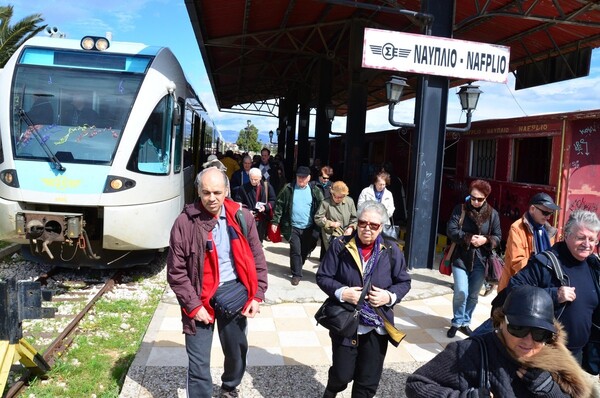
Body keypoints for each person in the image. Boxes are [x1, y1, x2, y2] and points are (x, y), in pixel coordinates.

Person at [166, 167, 268, 398]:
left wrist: (257, 294)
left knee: (236, 351)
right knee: (199, 363)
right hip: (198, 297)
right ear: (199, 193)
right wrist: (193, 306)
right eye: (206, 193)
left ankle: (230, 385)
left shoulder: (241, 216)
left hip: (233, 294)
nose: (212, 198)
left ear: (226, 191)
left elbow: (257, 256)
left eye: (217, 192)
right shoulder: (184, 223)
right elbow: (176, 272)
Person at [406, 285, 597, 397]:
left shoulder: (557, 362)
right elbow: (416, 384)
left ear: (550, 335)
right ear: (501, 321)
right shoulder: (469, 351)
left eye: (539, 333)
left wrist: (550, 391)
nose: (528, 340)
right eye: (518, 328)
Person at [316, 200, 411, 398]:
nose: (367, 228)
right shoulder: (340, 245)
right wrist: (342, 292)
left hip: (377, 324)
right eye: (362, 223)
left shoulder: (392, 250)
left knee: (367, 383)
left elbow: (404, 282)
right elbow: (323, 276)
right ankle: (332, 389)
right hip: (346, 320)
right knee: (342, 375)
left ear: (381, 227)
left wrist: (389, 296)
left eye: (373, 225)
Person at [497, 210, 600, 360]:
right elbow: (515, 289)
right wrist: (554, 294)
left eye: (592, 240)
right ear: (566, 234)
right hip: (545, 351)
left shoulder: (593, 266)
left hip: (578, 354)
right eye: (581, 238)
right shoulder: (546, 262)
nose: (587, 244)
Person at [446, 179, 501, 338]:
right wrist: (468, 238)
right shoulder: (460, 209)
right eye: (472, 197)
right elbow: (451, 229)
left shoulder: (492, 214)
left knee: (473, 294)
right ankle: (456, 321)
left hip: (481, 260)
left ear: (486, 198)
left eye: (479, 199)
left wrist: (485, 240)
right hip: (461, 258)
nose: (475, 201)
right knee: (461, 291)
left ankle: (465, 322)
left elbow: (498, 236)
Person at [270, 165, 324, 286]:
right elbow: (279, 204)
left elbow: (322, 206)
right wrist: (275, 221)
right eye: (299, 177)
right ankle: (296, 274)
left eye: (303, 178)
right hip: (292, 226)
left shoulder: (315, 190)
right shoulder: (288, 188)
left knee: (304, 250)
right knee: (296, 251)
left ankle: (297, 265)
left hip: (308, 227)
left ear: (309, 178)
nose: (301, 180)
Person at [497, 192, 560, 292]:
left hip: (540, 286)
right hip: (516, 285)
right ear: (532, 209)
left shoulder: (548, 232)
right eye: (545, 213)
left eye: (550, 213)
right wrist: (540, 272)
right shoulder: (517, 228)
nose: (548, 217)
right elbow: (517, 262)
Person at [233, 168, 276, 242]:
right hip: (248, 218)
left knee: (258, 241)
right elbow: (238, 202)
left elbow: (273, 200)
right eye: (251, 179)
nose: (253, 181)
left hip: (262, 218)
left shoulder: (266, 186)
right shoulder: (243, 188)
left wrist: (265, 207)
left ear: (260, 177)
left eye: (256, 179)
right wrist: (247, 211)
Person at [314, 180, 357, 253]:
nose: (337, 199)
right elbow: (317, 218)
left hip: (346, 234)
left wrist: (351, 228)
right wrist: (331, 223)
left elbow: (354, 219)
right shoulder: (325, 203)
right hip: (331, 235)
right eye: (335, 196)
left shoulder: (350, 202)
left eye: (341, 197)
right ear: (332, 193)